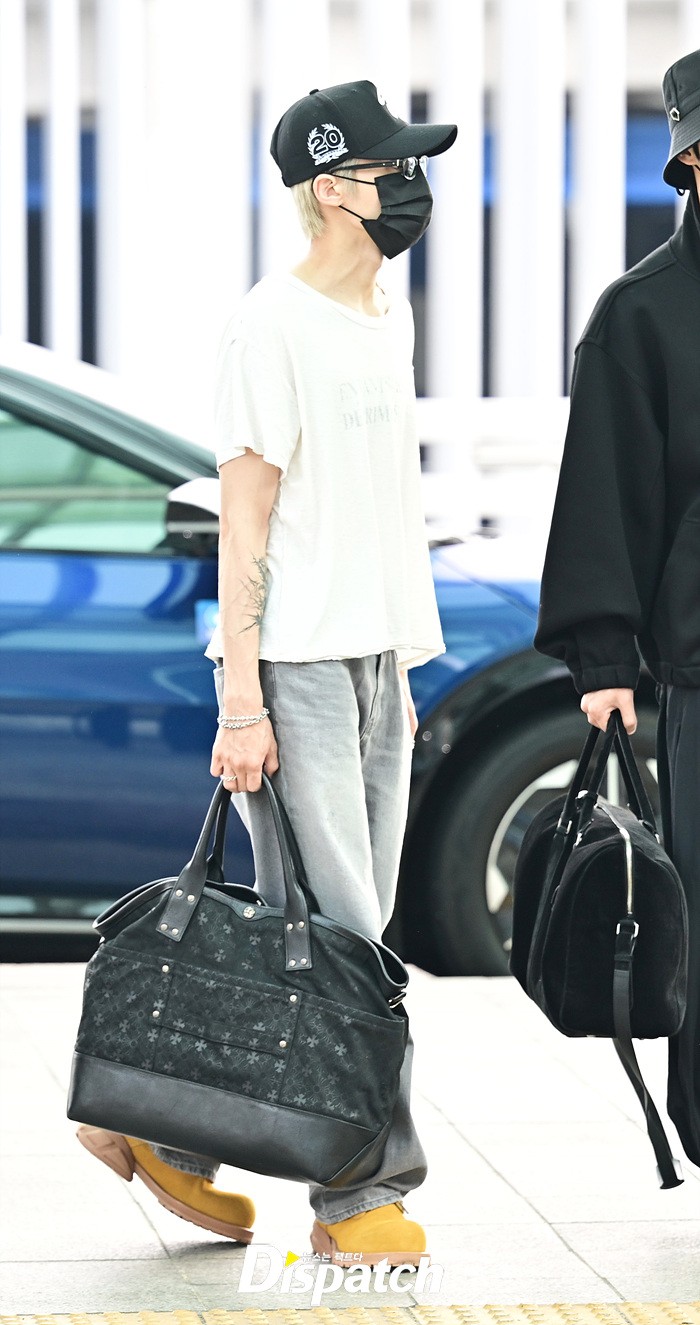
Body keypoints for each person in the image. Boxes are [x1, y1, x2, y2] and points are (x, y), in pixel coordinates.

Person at [77, 79, 457, 1265]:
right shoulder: (269, 326)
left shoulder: (384, 313)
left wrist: (396, 663)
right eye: (394, 169)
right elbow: (246, 522)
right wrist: (241, 698)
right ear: (333, 187)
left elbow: (373, 505)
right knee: (347, 937)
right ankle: (359, 1197)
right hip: (291, 663)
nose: (414, 187)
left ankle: (156, 1120)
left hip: (372, 656)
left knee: (341, 925)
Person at [535, 48, 700, 1172]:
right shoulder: (641, 315)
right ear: (690, 159)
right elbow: (602, 492)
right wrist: (604, 661)